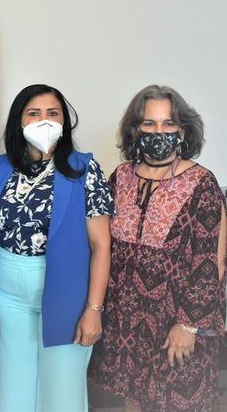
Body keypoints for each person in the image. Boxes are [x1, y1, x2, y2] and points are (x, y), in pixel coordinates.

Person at [0, 84, 115, 412]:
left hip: (66, 293)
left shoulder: (83, 170)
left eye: (53, 113)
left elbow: (101, 245)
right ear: (19, 122)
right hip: (8, 293)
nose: (44, 121)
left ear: (65, 121)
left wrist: (93, 310)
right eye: (34, 113)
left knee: (62, 391)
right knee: (16, 387)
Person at [89, 85, 227, 412]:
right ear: (135, 129)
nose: (158, 131)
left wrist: (188, 324)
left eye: (168, 124)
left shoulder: (201, 182)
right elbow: (102, 246)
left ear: (183, 130)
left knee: (181, 401)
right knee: (132, 400)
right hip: (126, 323)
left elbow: (213, 262)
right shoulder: (119, 177)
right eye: (149, 123)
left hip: (176, 323)